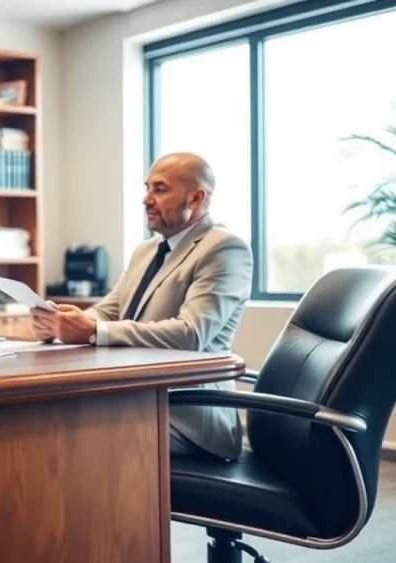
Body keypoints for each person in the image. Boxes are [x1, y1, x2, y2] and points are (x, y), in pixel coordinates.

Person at [31, 152, 253, 461]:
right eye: (147, 188)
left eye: (160, 189)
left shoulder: (224, 249)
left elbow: (190, 334)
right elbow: (109, 311)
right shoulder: (146, 250)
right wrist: (63, 322)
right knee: (40, 423)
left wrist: (93, 331)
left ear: (196, 197)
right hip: (137, 401)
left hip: (189, 419)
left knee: (70, 438)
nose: (146, 199)